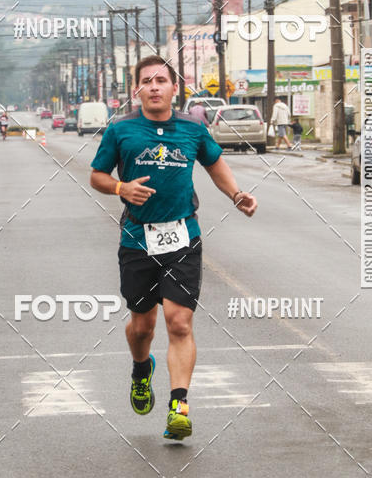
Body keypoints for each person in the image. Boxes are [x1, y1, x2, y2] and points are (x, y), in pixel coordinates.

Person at [90, 56, 257, 441]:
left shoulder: (192, 128)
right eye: (146, 80)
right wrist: (120, 187)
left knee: (179, 322)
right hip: (137, 238)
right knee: (142, 327)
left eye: (161, 80)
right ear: (136, 89)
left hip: (183, 236)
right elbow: (97, 175)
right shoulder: (121, 130)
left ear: (174, 88)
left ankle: (179, 406)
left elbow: (215, 164)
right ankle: (140, 369)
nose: (154, 86)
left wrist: (236, 194)